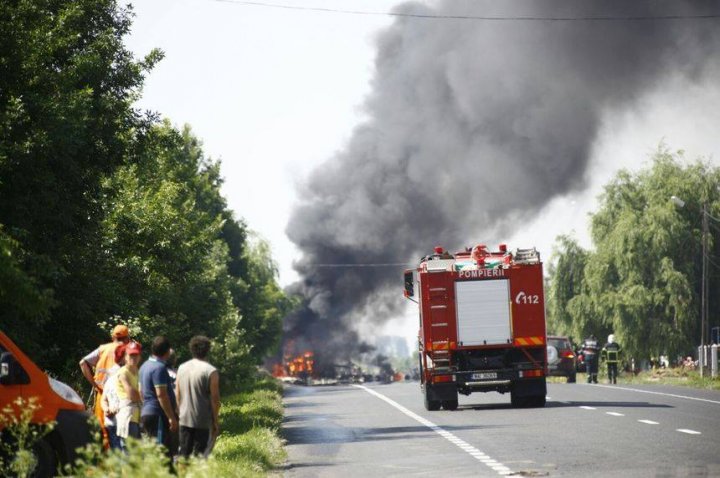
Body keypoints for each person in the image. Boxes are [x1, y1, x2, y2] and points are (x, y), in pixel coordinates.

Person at [79, 324, 131, 448]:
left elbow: (82, 363)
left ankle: (104, 463)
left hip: (102, 397)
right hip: (120, 398)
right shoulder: (126, 351)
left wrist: (95, 385)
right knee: (121, 435)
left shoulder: (103, 349)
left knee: (103, 432)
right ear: (127, 338)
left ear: (113, 337)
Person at [176, 336, 220, 459]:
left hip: (184, 418)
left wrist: (178, 413)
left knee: (183, 454)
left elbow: (177, 394)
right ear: (208, 350)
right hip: (203, 420)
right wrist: (215, 420)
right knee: (199, 456)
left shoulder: (181, 368)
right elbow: (215, 399)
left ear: (191, 349)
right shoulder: (211, 371)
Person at [139, 336, 179, 457]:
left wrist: (146, 405)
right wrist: (171, 417)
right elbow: (161, 394)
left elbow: (140, 390)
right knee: (162, 453)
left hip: (147, 412)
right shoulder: (159, 368)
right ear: (167, 351)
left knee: (157, 450)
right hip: (158, 415)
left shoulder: (144, 366)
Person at [116, 341, 143, 452]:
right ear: (125, 357)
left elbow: (140, 394)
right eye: (131, 355)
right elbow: (132, 396)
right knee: (128, 454)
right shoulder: (123, 372)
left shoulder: (138, 371)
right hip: (127, 417)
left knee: (137, 456)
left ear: (140, 356)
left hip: (137, 418)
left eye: (136, 355)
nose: (133, 357)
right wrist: (140, 394)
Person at [101, 345, 127, 450]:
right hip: (117, 423)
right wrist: (107, 409)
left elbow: (104, 399)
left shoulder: (111, 378)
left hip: (115, 422)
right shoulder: (113, 379)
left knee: (119, 457)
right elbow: (104, 399)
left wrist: (108, 409)